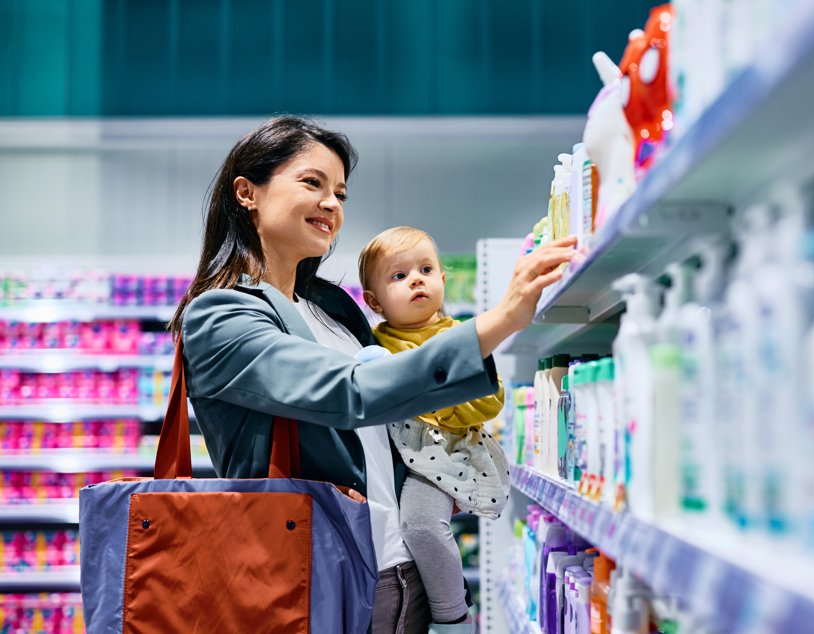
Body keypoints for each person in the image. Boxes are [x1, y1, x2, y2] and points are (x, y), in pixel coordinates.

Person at [169, 115, 576, 634]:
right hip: (316, 581)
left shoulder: (331, 306)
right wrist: (500, 321)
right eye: (312, 183)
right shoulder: (221, 316)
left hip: (408, 573)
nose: (332, 204)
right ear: (247, 193)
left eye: (340, 192)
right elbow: (354, 391)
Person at [358, 227, 511, 633]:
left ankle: (454, 618)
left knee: (421, 525)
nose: (416, 279)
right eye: (398, 275)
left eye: (426, 269)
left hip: (442, 458)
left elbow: (490, 400)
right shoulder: (374, 342)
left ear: (443, 279)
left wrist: (431, 396)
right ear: (373, 301)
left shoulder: (459, 338)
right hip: (393, 460)